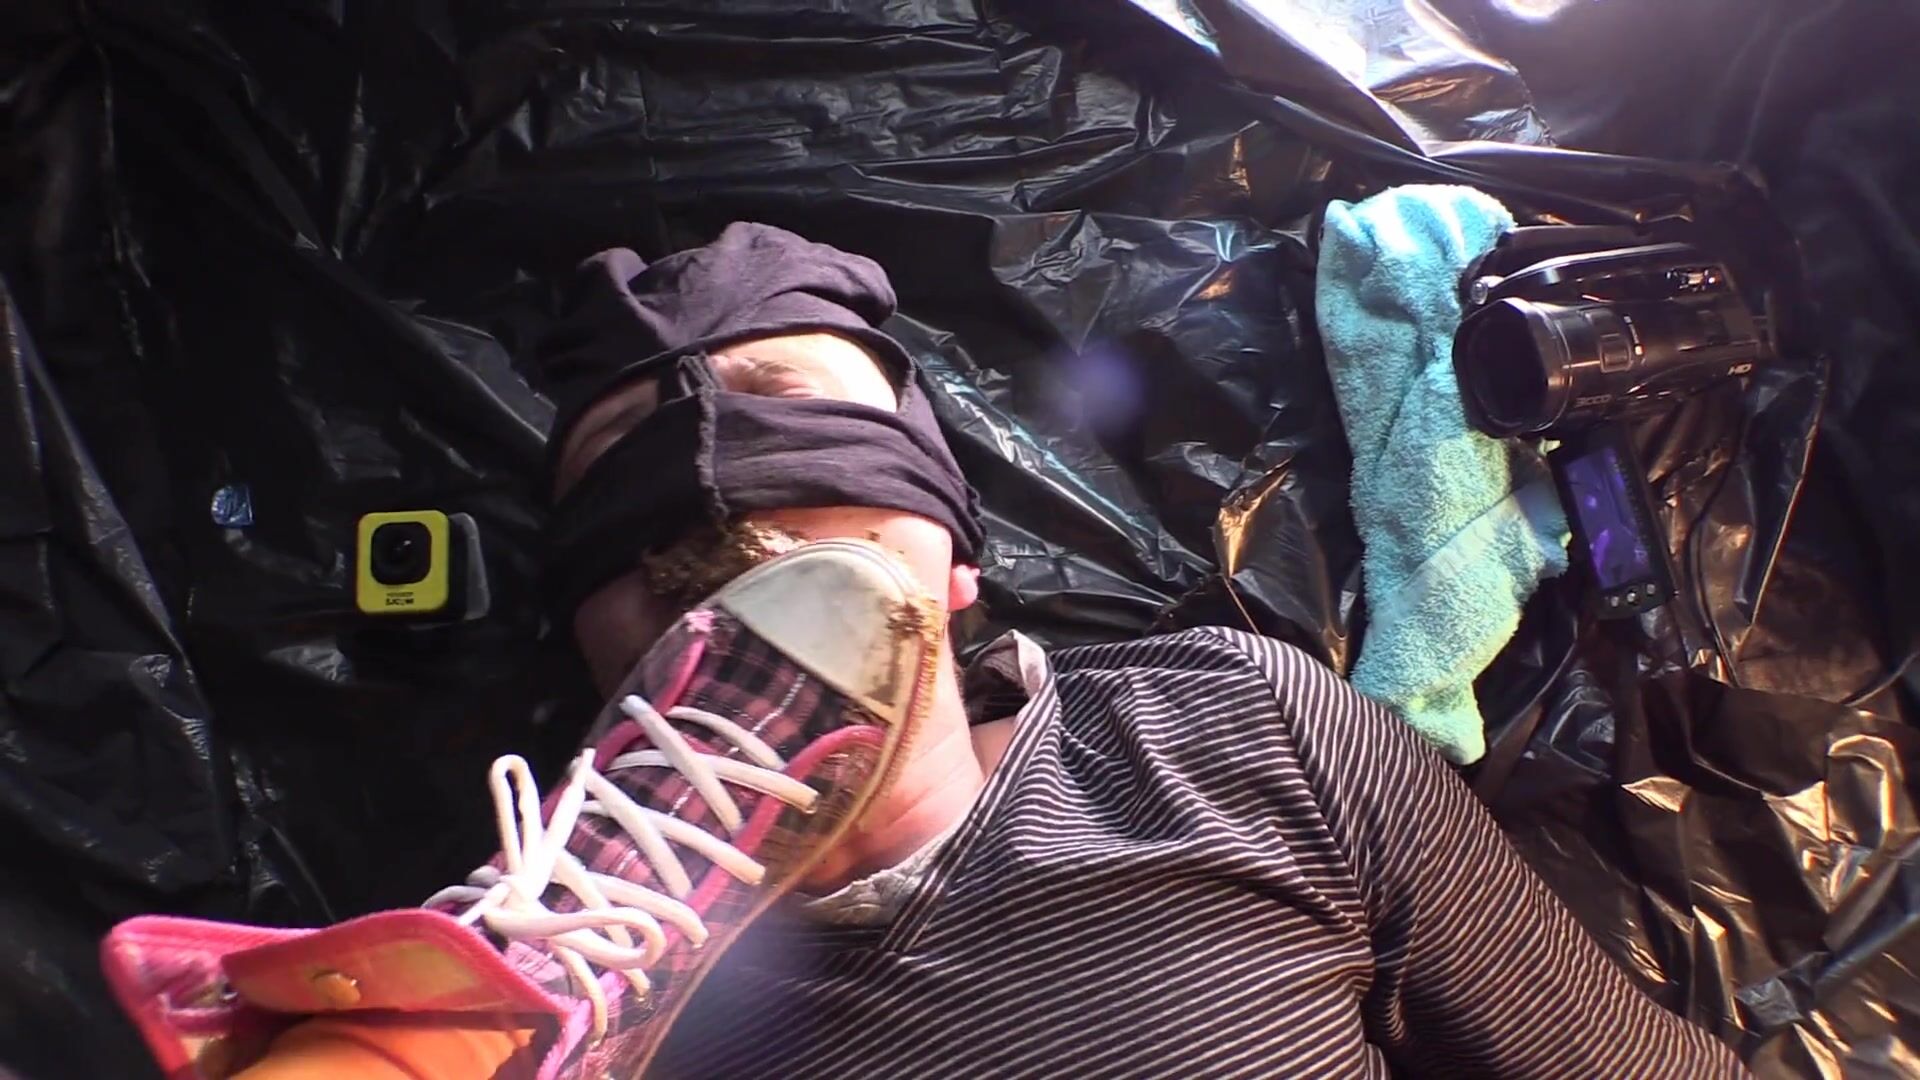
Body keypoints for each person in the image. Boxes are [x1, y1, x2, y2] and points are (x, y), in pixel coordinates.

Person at [101, 224, 1750, 1079]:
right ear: (590, 658)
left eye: (794, 426)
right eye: (626, 486)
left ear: (957, 565)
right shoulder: (468, 1000)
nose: (724, 506)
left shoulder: (1235, 734)